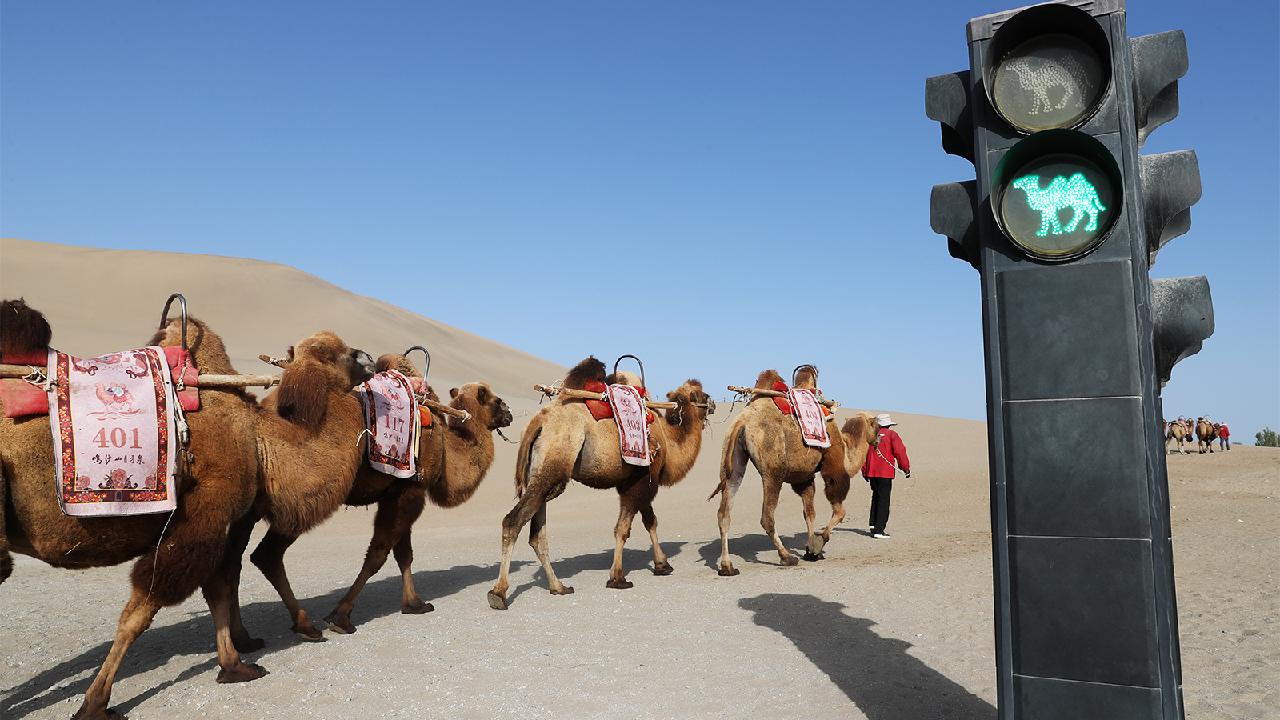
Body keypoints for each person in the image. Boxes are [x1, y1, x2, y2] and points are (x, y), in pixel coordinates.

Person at [862, 413, 910, 539]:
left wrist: (864, 470)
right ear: (889, 424)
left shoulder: (870, 435)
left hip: (872, 471)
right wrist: (905, 468)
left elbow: (863, 454)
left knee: (876, 497)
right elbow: (900, 452)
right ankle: (879, 529)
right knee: (883, 500)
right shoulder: (892, 435)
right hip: (885, 472)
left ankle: (873, 525)